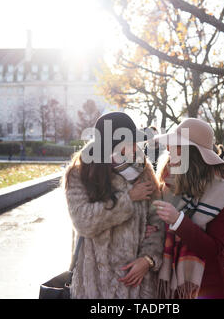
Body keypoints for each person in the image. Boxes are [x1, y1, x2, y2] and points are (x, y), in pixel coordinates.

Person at [64, 112, 165, 299]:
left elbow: (157, 217)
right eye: (130, 141)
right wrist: (128, 199)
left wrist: (148, 259)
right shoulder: (79, 173)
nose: (136, 147)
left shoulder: (142, 168)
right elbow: (83, 221)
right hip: (95, 284)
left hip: (138, 282)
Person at [153, 118, 224, 299]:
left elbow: (214, 250)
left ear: (194, 153)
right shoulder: (166, 183)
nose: (168, 149)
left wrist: (179, 221)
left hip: (206, 287)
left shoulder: (221, 191)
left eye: (177, 145)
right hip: (168, 289)